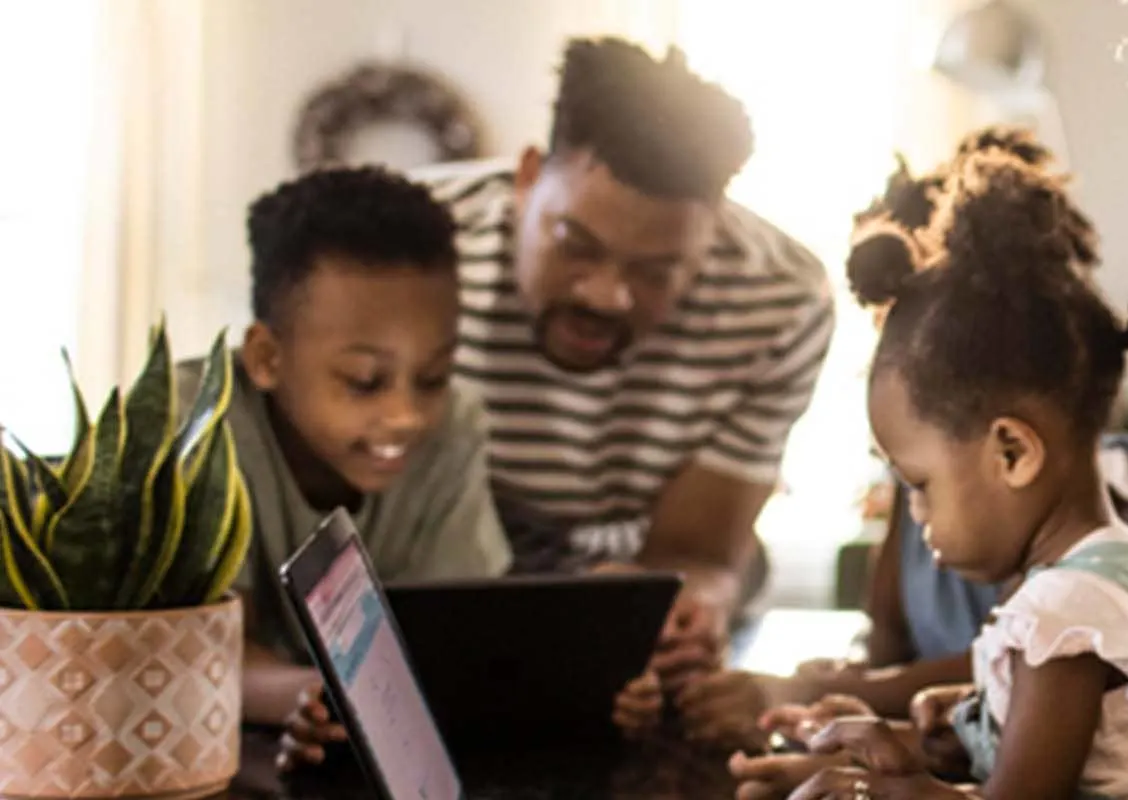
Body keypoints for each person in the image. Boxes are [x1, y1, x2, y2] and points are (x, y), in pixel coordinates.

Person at [733, 144, 1128, 800]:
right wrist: (968, 720)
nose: (914, 514)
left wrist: (881, 792)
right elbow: (1110, 746)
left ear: (1012, 454)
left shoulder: (1065, 613)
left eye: (919, 485)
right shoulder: (1123, 562)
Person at [673, 135, 1128, 750]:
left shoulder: (1084, 542)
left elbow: (1027, 672)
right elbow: (891, 639)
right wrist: (849, 691)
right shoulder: (937, 477)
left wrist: (816, 699)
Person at [410, 37, 835, 701]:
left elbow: (698, 552)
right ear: (526, 179)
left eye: (655, 270)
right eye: (575, 246)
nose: (606, 295)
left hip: (623, 611)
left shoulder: (782, 299)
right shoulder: (410, 250)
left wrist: (683, 612)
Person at [204, 167, 510, 769]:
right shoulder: (204, 428)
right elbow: (208, 654)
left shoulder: (455, 428)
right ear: (267, 357)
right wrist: (324, 699)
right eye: (365, 381)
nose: (405, 416)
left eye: (433, 378)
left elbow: (459, 637)